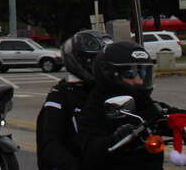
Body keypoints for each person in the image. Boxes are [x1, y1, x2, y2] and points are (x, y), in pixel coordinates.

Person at [77, 40, 177, 170]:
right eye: (130, 74)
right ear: (109, 74)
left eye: (142, 73)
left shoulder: (143, 101)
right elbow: (90, 151)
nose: (139, 80)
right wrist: (115, 138)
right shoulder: (95, 108)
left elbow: (171, 114)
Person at [36, 30, 112, 170]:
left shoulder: (107, 91)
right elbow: (50, 143)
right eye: (94, 62)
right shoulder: (61, 95)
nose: (101, 68)